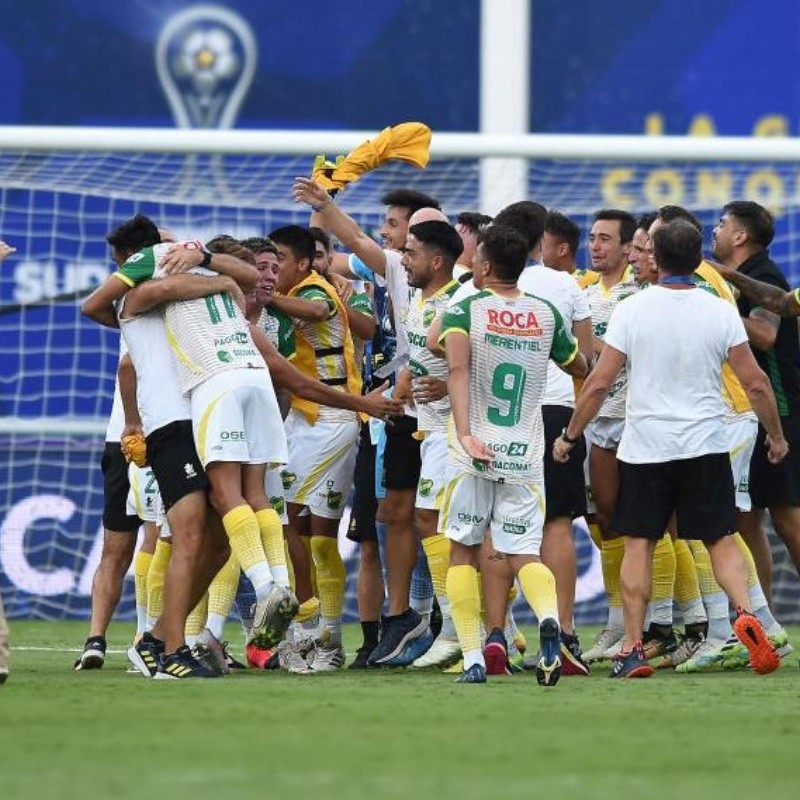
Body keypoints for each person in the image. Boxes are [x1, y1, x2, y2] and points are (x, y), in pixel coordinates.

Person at [553, 219, 786, 678]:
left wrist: (570, 435)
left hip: (647, 447)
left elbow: (600, 382)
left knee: (639, 543)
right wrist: (775, 436)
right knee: (720, 537)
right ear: (698, 259)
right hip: (705, 443)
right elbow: (755, 382)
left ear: (654, 257)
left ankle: (634, 647)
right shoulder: (718, 309)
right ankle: (744, 614)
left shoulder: (633, 310)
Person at [292, 177, 442, 665]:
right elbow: (347, 243)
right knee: (390, 518)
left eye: (395, 226)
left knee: (446, 523)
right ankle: (402, 619)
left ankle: (457, 623)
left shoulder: (459, 287)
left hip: (444, 418)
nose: (386, 233)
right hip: (394, 413)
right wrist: (325, 203)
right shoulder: (397, 271)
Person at [439, 224, 588, 684]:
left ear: (483, 265)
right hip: (525, 450)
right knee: (524, 551)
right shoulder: (544, 313)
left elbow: (451, 363)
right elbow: (579, 363)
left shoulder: (466, 306)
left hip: (476, 448)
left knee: (463, 552)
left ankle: (473, 658)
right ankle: (548, 618)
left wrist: (465, 433)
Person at [74, 215, 158, 670]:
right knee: (157, 539)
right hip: (146, 434)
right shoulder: (155, 299)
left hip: (119, 436)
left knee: (116, 547)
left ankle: (95, 638)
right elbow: (128, 368)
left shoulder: (128, 305)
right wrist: (134, 422)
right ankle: (148, 635)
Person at [712, 201, 800, 598]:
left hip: (779, 409)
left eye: (721, 224)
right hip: (749, 412)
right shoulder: (749, 278)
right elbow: (784, 303)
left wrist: (715, 300)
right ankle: (760, 620)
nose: (714, 230)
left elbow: (766, 335)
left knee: (788, 517)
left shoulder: (764, 271)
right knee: (746, 518)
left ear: (740, 235)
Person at [580, 209, 639, 663]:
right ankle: (618, 622)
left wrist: (606, 352)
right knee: (604, 520)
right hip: (596, 419)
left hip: (636, 420)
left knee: (651, 523)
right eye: (592, 237)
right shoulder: (583, 292)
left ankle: (679, 619)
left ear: (626, 247)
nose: (596, 245)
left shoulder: (637, 294)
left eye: (605, 239)